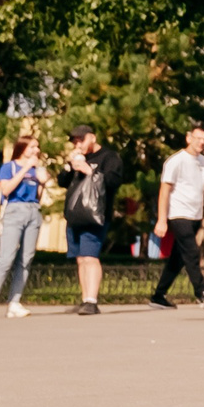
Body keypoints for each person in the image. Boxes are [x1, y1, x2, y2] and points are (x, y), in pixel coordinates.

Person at [0, 133, 50, 318]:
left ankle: (14, 302)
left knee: (26, 259)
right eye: (33, 146)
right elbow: (6, 189)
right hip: (14, 210)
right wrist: (26, 168)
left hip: (33, 211)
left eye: (37, 146)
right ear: (23, 148)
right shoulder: (9, 167)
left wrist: (42, 179)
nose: (37, 150)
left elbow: (39, 194)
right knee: (6, 258)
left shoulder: (37, 169)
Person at [151, 124, 204, 309]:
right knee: (192, 251)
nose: (202, 142)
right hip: (177, 214)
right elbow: (164, 191)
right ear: (189, 138)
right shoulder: (176, 161)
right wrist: (162, 219)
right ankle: (202, 292)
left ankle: (158, 296)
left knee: (178, 258)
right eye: (198, 138)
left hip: (195, 215)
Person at [60, 126, 122, 315]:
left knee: (90, 256)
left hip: (95, 215)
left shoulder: (109, 157)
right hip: (75, 215)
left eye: (81, 140)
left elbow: (113, 182)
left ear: (92, 138)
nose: (78, 144)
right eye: (75, 141)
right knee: (80, 259)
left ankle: (92, 300)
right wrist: (69, 165)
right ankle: (85, 298)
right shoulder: (78, 158)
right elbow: (62, 181)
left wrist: (90, 171)